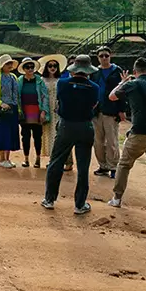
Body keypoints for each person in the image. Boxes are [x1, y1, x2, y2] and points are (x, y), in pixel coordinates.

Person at [108, 57, 146, 216]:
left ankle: (117, 198)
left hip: (139, 132)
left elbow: (112, 96)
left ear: (135, 72)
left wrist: (123, 81)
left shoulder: (131, 84)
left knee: (124, 165)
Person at [41, 54, 100, 214]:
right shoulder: (94, 87)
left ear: (73, 69)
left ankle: (49, 199)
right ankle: (79, 204)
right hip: (85, 126)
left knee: (56, 162)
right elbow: (94, 105)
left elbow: (60, 100)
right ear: (88, 71)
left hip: (67, 125)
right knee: (83, 166)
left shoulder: (63, 83)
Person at [92, 47, 123, 178]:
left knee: (112, 141)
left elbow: (122, 91)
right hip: (96, 111)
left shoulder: (117, 71)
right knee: (97, 141)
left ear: (111, 56)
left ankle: (113, 166)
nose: (104, 58)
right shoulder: (95, 72)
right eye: (101, 56)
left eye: (106, 55)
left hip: (111, 110)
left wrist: (121, 110)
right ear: (98, 58)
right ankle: (103, 165)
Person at [0, 54, 21, 167]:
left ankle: (8, 158)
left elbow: (16, 93)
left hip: (13, 107)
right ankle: (2, 159)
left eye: (10, 63)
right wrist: (0, 103)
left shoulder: (13, 77)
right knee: (3, 133)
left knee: (11, 133)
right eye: (7, 64)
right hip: (2, 108)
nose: (10, 66)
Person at [17, 58, 49, 168]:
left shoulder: (39, 80)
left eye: (32, 67)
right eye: (27, 67)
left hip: (36, 111)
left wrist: (44, 111)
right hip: (25, 111)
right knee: (25, 136)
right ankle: (26, 159)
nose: (30, 69)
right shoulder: (20, 81)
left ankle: (38, 158)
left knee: (37, 136)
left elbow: (45, 96)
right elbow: (17, 96)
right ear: (24, 69)